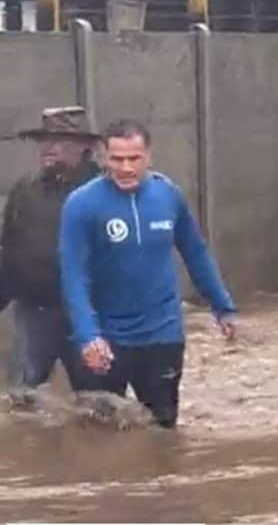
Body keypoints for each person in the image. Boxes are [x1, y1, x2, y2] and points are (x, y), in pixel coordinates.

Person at [59, 120, 237, 428]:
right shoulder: (81, 204)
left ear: (148, 156)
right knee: (101, 435)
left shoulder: (168, 195)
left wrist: (223, 307)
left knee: (162, 431)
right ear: (103, 158)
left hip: (162, 336)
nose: (126, 168)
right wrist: (88, 336)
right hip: (106, 340)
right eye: (117, 159)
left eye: (134, 158)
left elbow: (196, 253)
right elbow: (74, 275)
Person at [0, 107, 102, 404]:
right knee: (20, 402)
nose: (48, 147)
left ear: (86, 147)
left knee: (99, 406)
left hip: (89, 317)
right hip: (35, 313)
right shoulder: (25, 190)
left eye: (60, 140)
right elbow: (10, 251)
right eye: (44, 140)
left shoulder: (104, 191)